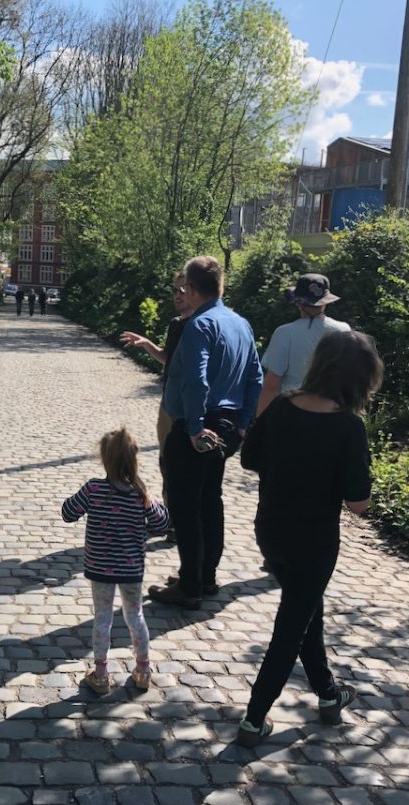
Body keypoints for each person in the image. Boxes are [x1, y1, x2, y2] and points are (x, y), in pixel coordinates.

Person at [235, 330, 383, 747]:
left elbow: (249, 459)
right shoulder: (348, 428)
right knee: (291, 628)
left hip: (271, 533)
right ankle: (253, 718)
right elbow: (358, 504)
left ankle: (329, 696)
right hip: (314, 543)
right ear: (361, 378)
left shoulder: (282, 406)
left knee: (306, 616)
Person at [148, 256, 262, 610]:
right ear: (221, 286)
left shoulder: (199, 326)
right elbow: (255, 377)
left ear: (192, 289)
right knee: (211, 501)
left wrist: (196, 429)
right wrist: (243, 423)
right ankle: (205, 576)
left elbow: (197, 381)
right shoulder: (240, 324)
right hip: (228, 425)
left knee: (186, 507)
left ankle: (190, 586)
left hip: (196, 427)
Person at [62, 427, 170, 694]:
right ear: (135, 459)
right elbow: (163, 523)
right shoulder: (140, 494)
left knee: (102, 618)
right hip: (132, 569)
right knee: (135, 616)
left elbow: (68, 512)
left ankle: (100, 674)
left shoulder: (94, 489)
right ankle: (143, 669)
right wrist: (150, 502)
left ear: (104, 459)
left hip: (100, 569)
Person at [120, 271, 193, 522]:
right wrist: (146, 344)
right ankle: (171, 518)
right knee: (168, 462)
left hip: (191, 406)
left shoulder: (205, 325)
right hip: (169, 405)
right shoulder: (176, 324)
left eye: (183, 289)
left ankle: (182, 519)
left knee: (184, 466)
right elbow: (167, 360)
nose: (178, 295)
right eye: (175, 290)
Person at [256, 273, 351, 415]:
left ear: (298, 302)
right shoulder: (343, 330)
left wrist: (260, 419)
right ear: (324, 302)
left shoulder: (284, 333)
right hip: (332, 411)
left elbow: (271, 385)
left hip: (292, 412)